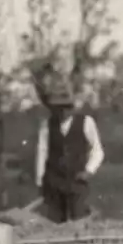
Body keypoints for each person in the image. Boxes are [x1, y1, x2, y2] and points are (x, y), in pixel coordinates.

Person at [35, 78, 105, 224]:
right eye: (57, 108)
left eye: (65, 107)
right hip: (54, 182)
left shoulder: (86, 122)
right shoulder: (47, 125)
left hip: (77, 181)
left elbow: (97, 150)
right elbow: (42, 152)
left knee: (79, 221)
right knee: (53, 224)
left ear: (72, 107)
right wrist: (40, 180)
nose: (62, 111)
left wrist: (88, 171)